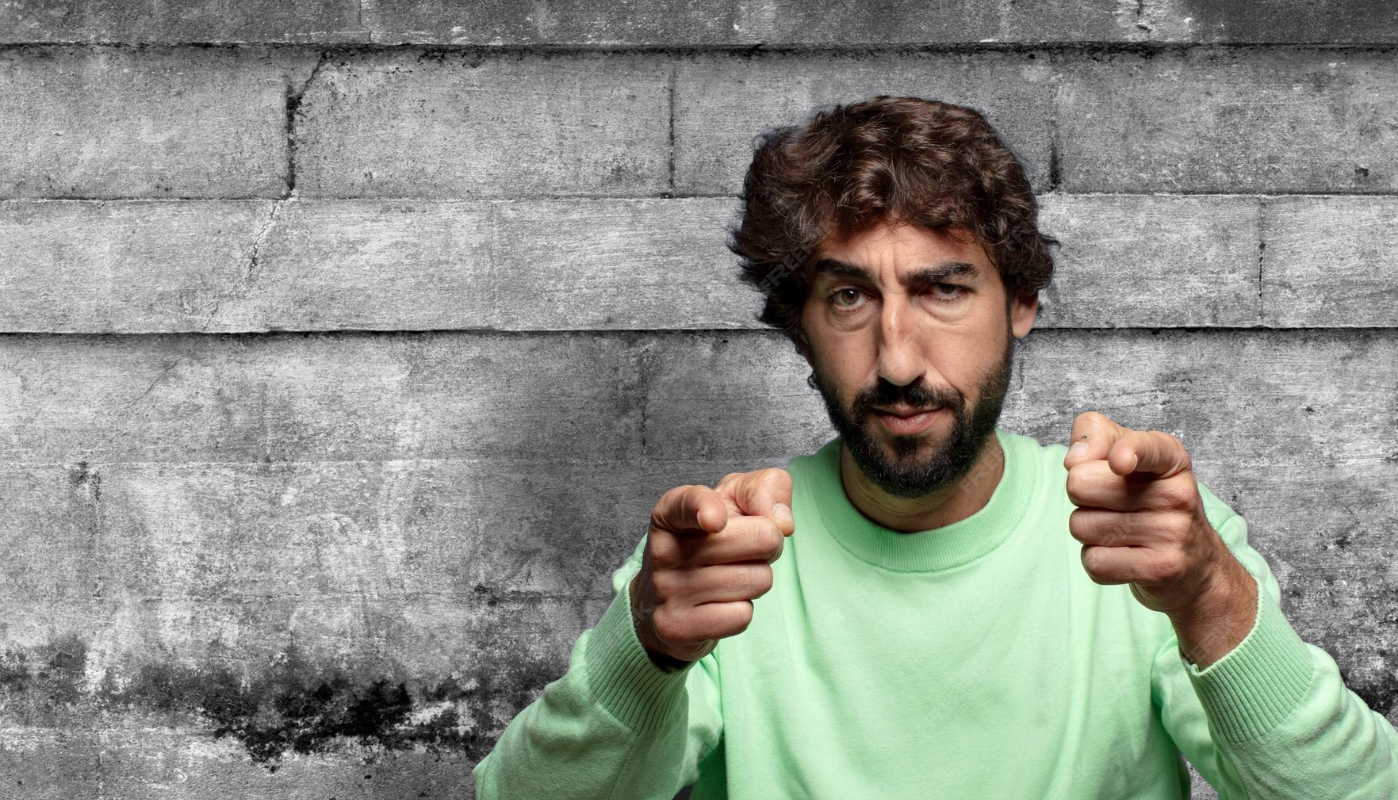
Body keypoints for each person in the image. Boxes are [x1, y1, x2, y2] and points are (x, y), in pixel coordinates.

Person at [471, 95, 1398, 799]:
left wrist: (1210, 600)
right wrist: (644, 651)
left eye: (943, 290)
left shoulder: (1148, 544)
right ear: (798, 325)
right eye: (848, 297)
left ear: (1021, 301)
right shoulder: (721, 557)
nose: (899, 360)